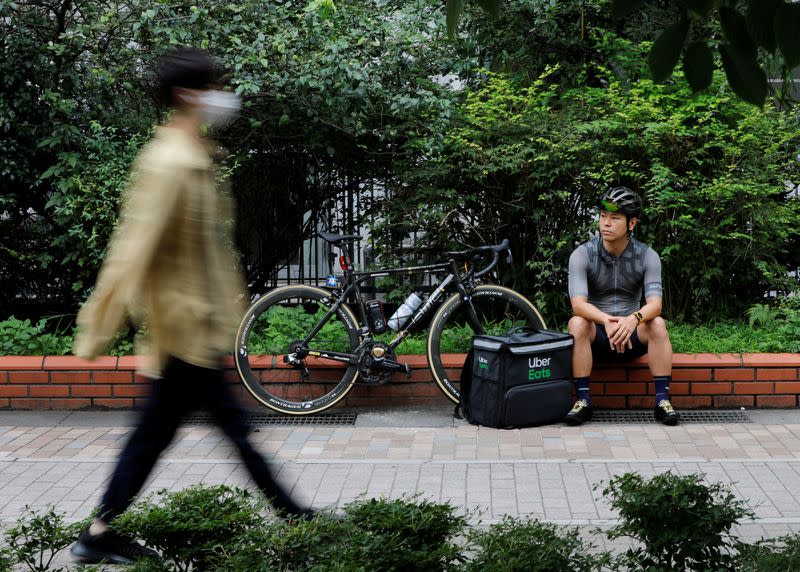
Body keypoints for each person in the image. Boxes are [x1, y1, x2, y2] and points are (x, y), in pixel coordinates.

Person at [70, 47, 313, 565]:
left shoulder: (195, 154)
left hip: (194, 326)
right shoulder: (170, 163)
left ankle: (98, 533)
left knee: (159, 434)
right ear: (186, 95)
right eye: (213, 85)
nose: (222, 96)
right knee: (231, 431)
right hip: (181, 329)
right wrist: (97, 327)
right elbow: (132, 249)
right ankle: (296, 518)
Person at [564, 186, 679, 426]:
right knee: (576, 323)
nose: (606, 223)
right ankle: (583, 401)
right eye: (603, 216)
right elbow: (578, 305)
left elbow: (655, 305)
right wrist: (606, 320)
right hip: (599, 337)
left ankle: (662, 401)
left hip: (631, 336)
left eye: (614, 218)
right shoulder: (582, 254)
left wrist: (632, 319)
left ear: (632, 223)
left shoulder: (648, 256)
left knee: (657, 323)